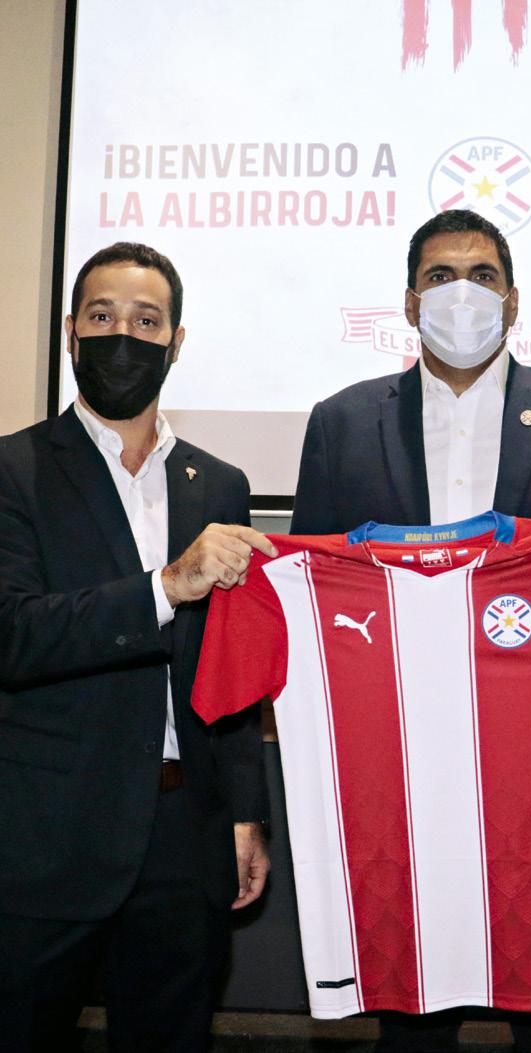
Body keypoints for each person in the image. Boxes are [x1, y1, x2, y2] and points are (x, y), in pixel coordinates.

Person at [291, 209, 531, 1052]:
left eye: (481, 275)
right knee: (413, 1014)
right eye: (439, 276)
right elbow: (313, 589)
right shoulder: (341, 421)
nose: (460, 293)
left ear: (512, 300)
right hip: (396, 765)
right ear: (407, 302)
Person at [0, 242, 278, 1052]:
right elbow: (14, 634)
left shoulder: (218, 484)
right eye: (102, 316)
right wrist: (166, 585)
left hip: (184, 832)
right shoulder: (13, 469)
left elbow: (232, 665)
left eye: (146, 320)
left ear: (176, 342)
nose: (123, 336)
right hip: (46, 833)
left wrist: (246, 810)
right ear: (70, 332)